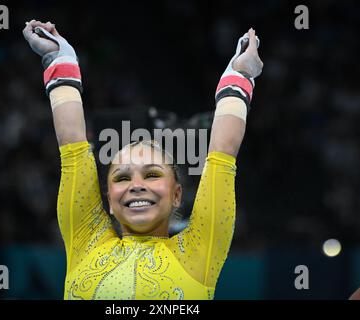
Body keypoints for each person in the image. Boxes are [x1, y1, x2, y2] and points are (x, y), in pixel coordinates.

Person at [22, 20, 263, 300]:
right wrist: (58, 57)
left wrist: (242, 73)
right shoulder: (86, 241)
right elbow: (72, 147)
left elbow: (222, 155)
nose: (136, 185)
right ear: (109, 200)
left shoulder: (198, 252)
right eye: (122, 177)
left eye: (151, 175)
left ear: (176, 195)